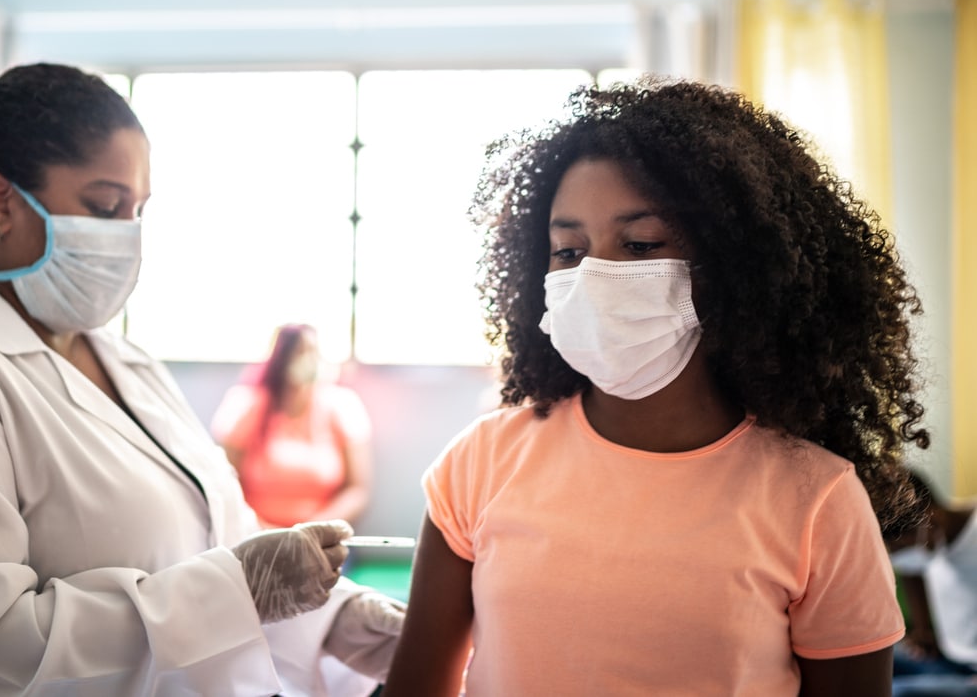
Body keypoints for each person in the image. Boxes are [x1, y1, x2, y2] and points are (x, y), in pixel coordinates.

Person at [0, 63, 403, 696]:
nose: (128, 237)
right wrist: (238, 590)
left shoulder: (126, 364)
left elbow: (214, 545)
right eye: (105, 206)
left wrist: (335, 623)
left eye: (138, 210)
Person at [381, 79, 931, 697]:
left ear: (729, 264)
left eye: (640, 245)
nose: (595, 276)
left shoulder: (817, 498)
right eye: (568, 250)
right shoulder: (480, 461)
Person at [211, 324, 373, 529]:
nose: (310, 360)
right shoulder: (247, 406)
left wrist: (311, 531)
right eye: (301, 352)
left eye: (315, 352)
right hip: (255, 533)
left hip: (320, 538)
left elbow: (357, 490)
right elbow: (226, 485)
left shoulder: (342, 407)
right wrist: (262, 530)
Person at [884, 470, 977, 696]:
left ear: (932, 520)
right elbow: (911, 570)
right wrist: (923, 630)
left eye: (902, 550)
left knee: (899, 693)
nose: (900, 559)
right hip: (948, 656)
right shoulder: (930, 539)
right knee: (866, 660)